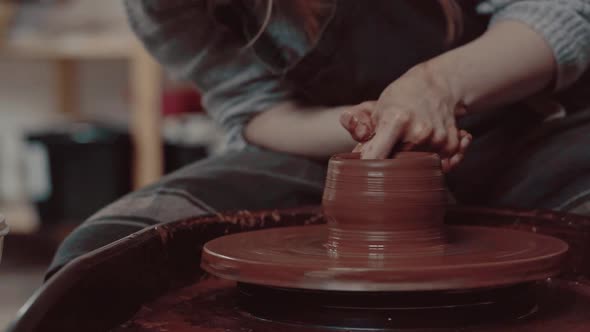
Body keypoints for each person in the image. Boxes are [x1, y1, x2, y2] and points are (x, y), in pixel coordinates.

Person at [47, 0, 590, 279]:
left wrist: (435, 88)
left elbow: (564, 12)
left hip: (531, 119)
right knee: (105, 258)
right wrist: (374, 124)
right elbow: (256, 111)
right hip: (328, 143)